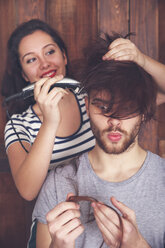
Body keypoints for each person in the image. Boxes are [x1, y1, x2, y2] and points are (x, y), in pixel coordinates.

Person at [1, 19, 165, 203]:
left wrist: (141, 59)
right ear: (24, 74)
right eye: (31, 59)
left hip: (109, 206)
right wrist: (50, 123)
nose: (44, 63)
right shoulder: (18, 125)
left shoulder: (97, 100)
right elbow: (28, 190)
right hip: (59, 220)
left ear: (64, 56)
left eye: (50, 52)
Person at [32, 34, 165, 248]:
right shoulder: (58, 184)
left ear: (143, 110)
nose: (113, 121)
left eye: (127, 108)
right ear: (86, 105)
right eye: (103, 107)